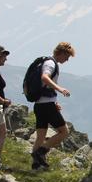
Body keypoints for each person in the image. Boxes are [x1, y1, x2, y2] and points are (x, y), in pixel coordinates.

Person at [31, 42, 75, 170]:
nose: (67, 60)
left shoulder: (47, 62)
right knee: (64, 132)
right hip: (46, 105)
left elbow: (45, 85)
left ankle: (35, 166)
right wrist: (60, 89)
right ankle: (41, 152)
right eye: (67, 57)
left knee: (41, 135)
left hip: (40, 104)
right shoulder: (50, 63)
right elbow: (45, 78)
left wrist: (54, 100)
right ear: (61, 53)